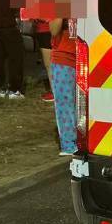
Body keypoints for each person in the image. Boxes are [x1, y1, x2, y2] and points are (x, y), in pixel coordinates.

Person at [47, 17, 77, 155]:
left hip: (90, 55)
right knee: (66, 103)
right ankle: (69, 144)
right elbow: (54, 30)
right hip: (64, 58)